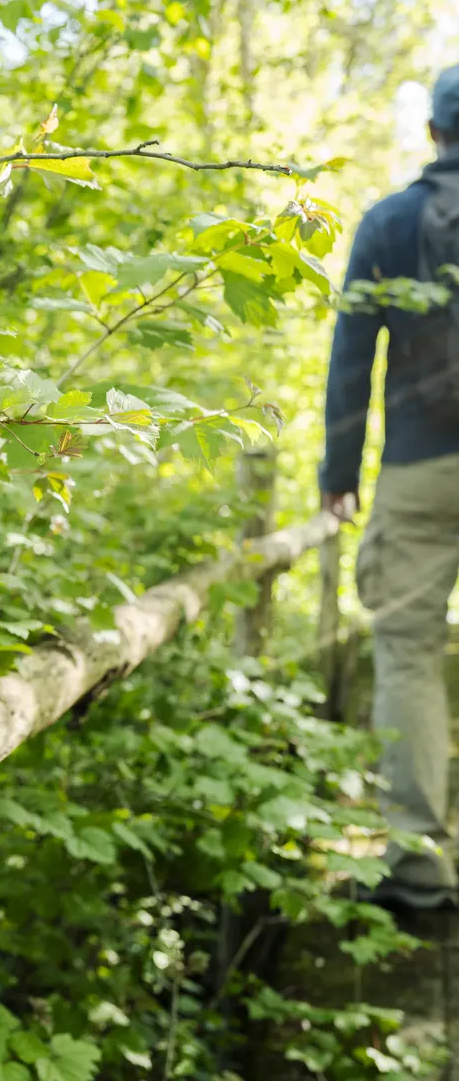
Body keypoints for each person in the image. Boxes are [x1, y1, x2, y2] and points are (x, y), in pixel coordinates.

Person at [321, 64, 459, 910]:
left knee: (408, 653)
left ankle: (415, 864)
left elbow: (350, 358)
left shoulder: (389, 220)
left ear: (432, 132)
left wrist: (339, 474)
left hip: (416, 466)